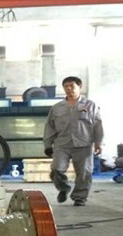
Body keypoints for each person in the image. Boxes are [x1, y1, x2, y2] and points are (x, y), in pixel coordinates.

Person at [43, 76, 104, 206]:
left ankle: (79, 197)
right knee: (56, 169)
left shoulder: (90, 105)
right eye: (66, 86)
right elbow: (49, 127)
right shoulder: (57, 108)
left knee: (84, 173)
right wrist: (48, 145)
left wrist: (99, 143)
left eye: (72, 86)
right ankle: (64, 188)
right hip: (62, 144)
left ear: (79, 87)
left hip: (84, 144)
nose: (69, 89)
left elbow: (98, 125)